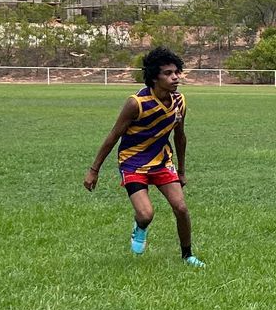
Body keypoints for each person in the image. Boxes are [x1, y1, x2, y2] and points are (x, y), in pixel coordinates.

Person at [84, 46, 203, 266]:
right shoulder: (136, 103)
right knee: (146, 214)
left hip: (162, 162)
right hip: (133, 163)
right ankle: (140, 227)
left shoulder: (180, 102)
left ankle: (188, 255)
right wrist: (94, 170)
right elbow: (113, 136)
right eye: (168, 73)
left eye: (177, 72)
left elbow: (180, 137)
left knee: (181, 208)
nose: (175, 77)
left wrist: (182, 171)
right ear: (154, 77)